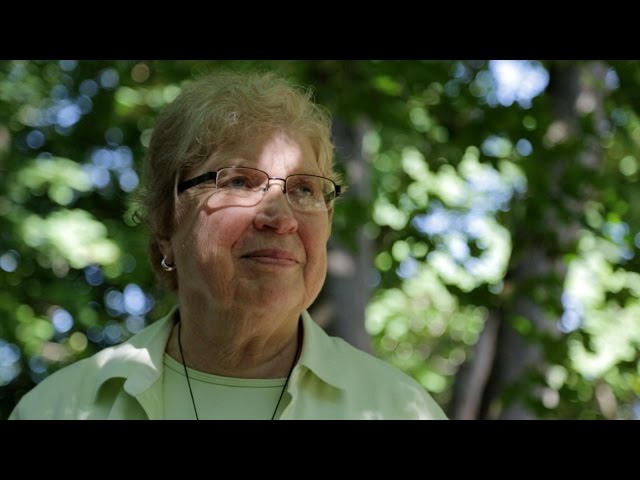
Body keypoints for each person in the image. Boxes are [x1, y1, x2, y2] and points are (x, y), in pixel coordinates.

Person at [10, 71, 447, 420]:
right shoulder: (59, 409)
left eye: (304, 190)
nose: (281, 219)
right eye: (239, 182)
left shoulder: (399, 409)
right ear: (165, 224)